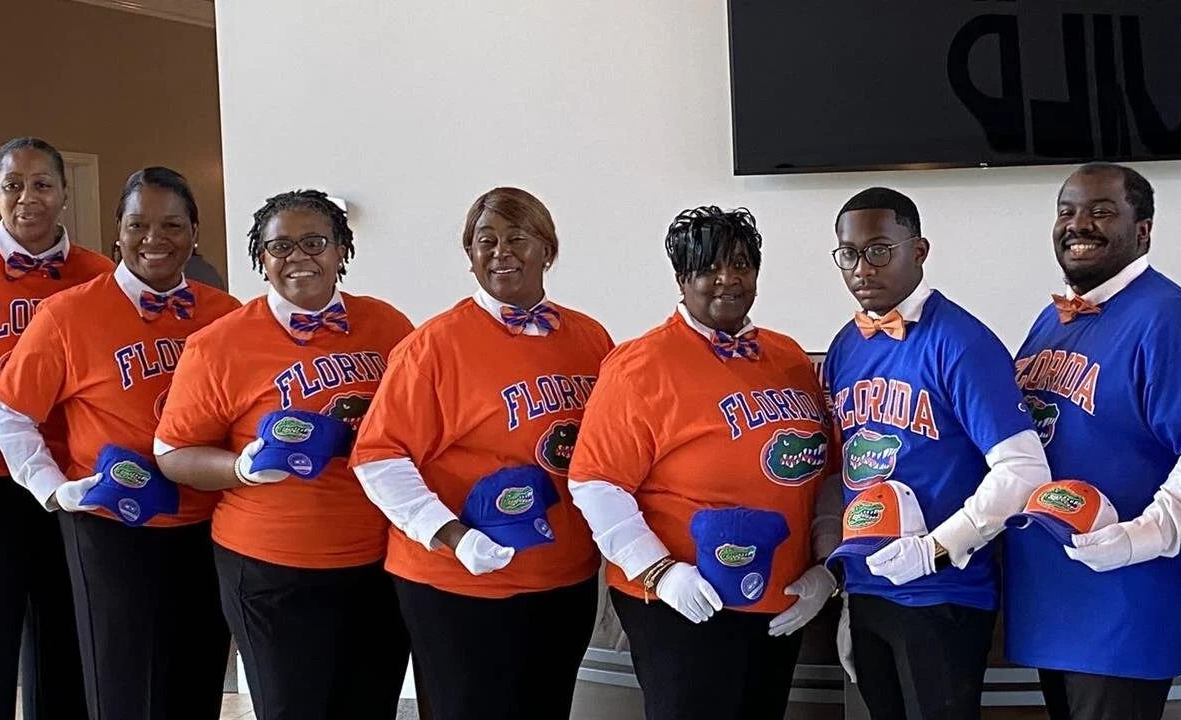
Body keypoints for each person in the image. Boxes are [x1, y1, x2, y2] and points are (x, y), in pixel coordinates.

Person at [0, 166, 242, 719]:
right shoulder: (68, 313)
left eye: (172, 224)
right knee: (121, 685)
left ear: (195, 233)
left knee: (195, 674)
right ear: (117, 233)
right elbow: (8, 410)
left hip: (207, 523)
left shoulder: (226, 315)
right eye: (138, 224)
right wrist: (53, 490)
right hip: (110, 527)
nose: (155, 239)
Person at [569, 206, 839, 719]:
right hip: (681, 599)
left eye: (740, 264)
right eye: (708, 268)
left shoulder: (788, 358)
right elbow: (596, 483)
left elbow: (822, 473)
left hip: (780, 596)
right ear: (681, 278)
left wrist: (825, 568)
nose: (727, 279)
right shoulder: (640, 365)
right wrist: (662, 573)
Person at [349, 187, 609, 720]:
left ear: (548, 250)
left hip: (564, 577)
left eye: (518, 238)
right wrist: (454, 537)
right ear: (469, 258)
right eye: (484, 241)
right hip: (457, 581)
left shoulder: (590, 339)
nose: (500, 252)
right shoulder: (434, 345)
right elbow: (379, 457)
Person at [154, 190, 413, 719]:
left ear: (342, 249)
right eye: (280, 246)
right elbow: (172, 452)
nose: (299, 257)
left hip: (378, 561)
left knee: (368, 706)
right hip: (272, 569)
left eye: (315, 242)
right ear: (261, 258)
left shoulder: (388, 327)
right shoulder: (219, 343)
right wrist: (241, 468)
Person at [1006, 163, 1181, 720]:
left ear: (1143, 231)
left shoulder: (1171, 320)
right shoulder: (1054, 317)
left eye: (1101, 211)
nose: (1078, 224)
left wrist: (1139, 537)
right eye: (1067, 212)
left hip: (1127, 599)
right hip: (1056, 592)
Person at [820, 188, 1051, 720]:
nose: (862, 268)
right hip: (870, 590)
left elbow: (1023, 471)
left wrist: (937, 549)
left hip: (944, 592)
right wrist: (850, 597)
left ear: (918, 251)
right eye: (848, 253)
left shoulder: (962, 341)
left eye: (879, 249)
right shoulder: (844, 346)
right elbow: (846, 473)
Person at [0, 137, 112, 720]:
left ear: (63, 194)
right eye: (12, 184)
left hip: (70, 480)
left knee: (64, 631)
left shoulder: (98, 275)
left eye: (41, 184)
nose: (26, 197)